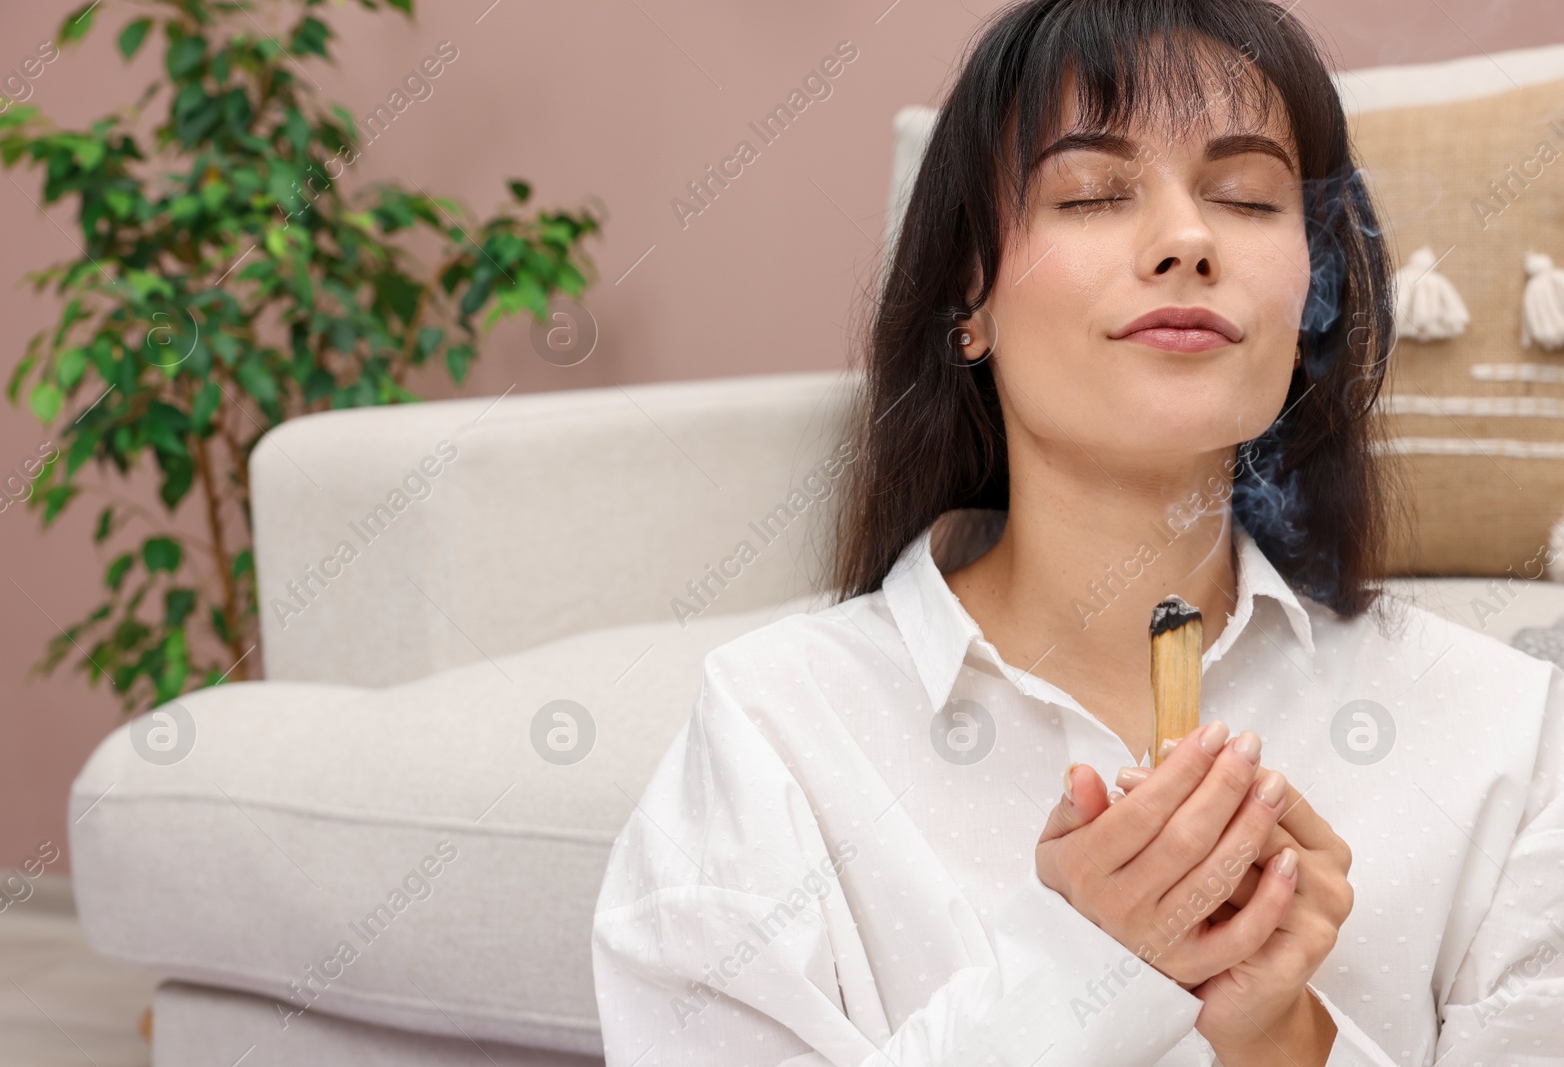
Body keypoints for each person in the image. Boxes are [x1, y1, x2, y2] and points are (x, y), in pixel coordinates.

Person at [590, 1, 1564, 1064]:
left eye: (1244, 196)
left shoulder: (1509, 736)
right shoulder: (773, 729)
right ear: (969, 292)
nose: (1188, 240)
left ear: (1312, 293)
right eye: (1094, 192)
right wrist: (1081, 969)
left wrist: (1284, 1034)